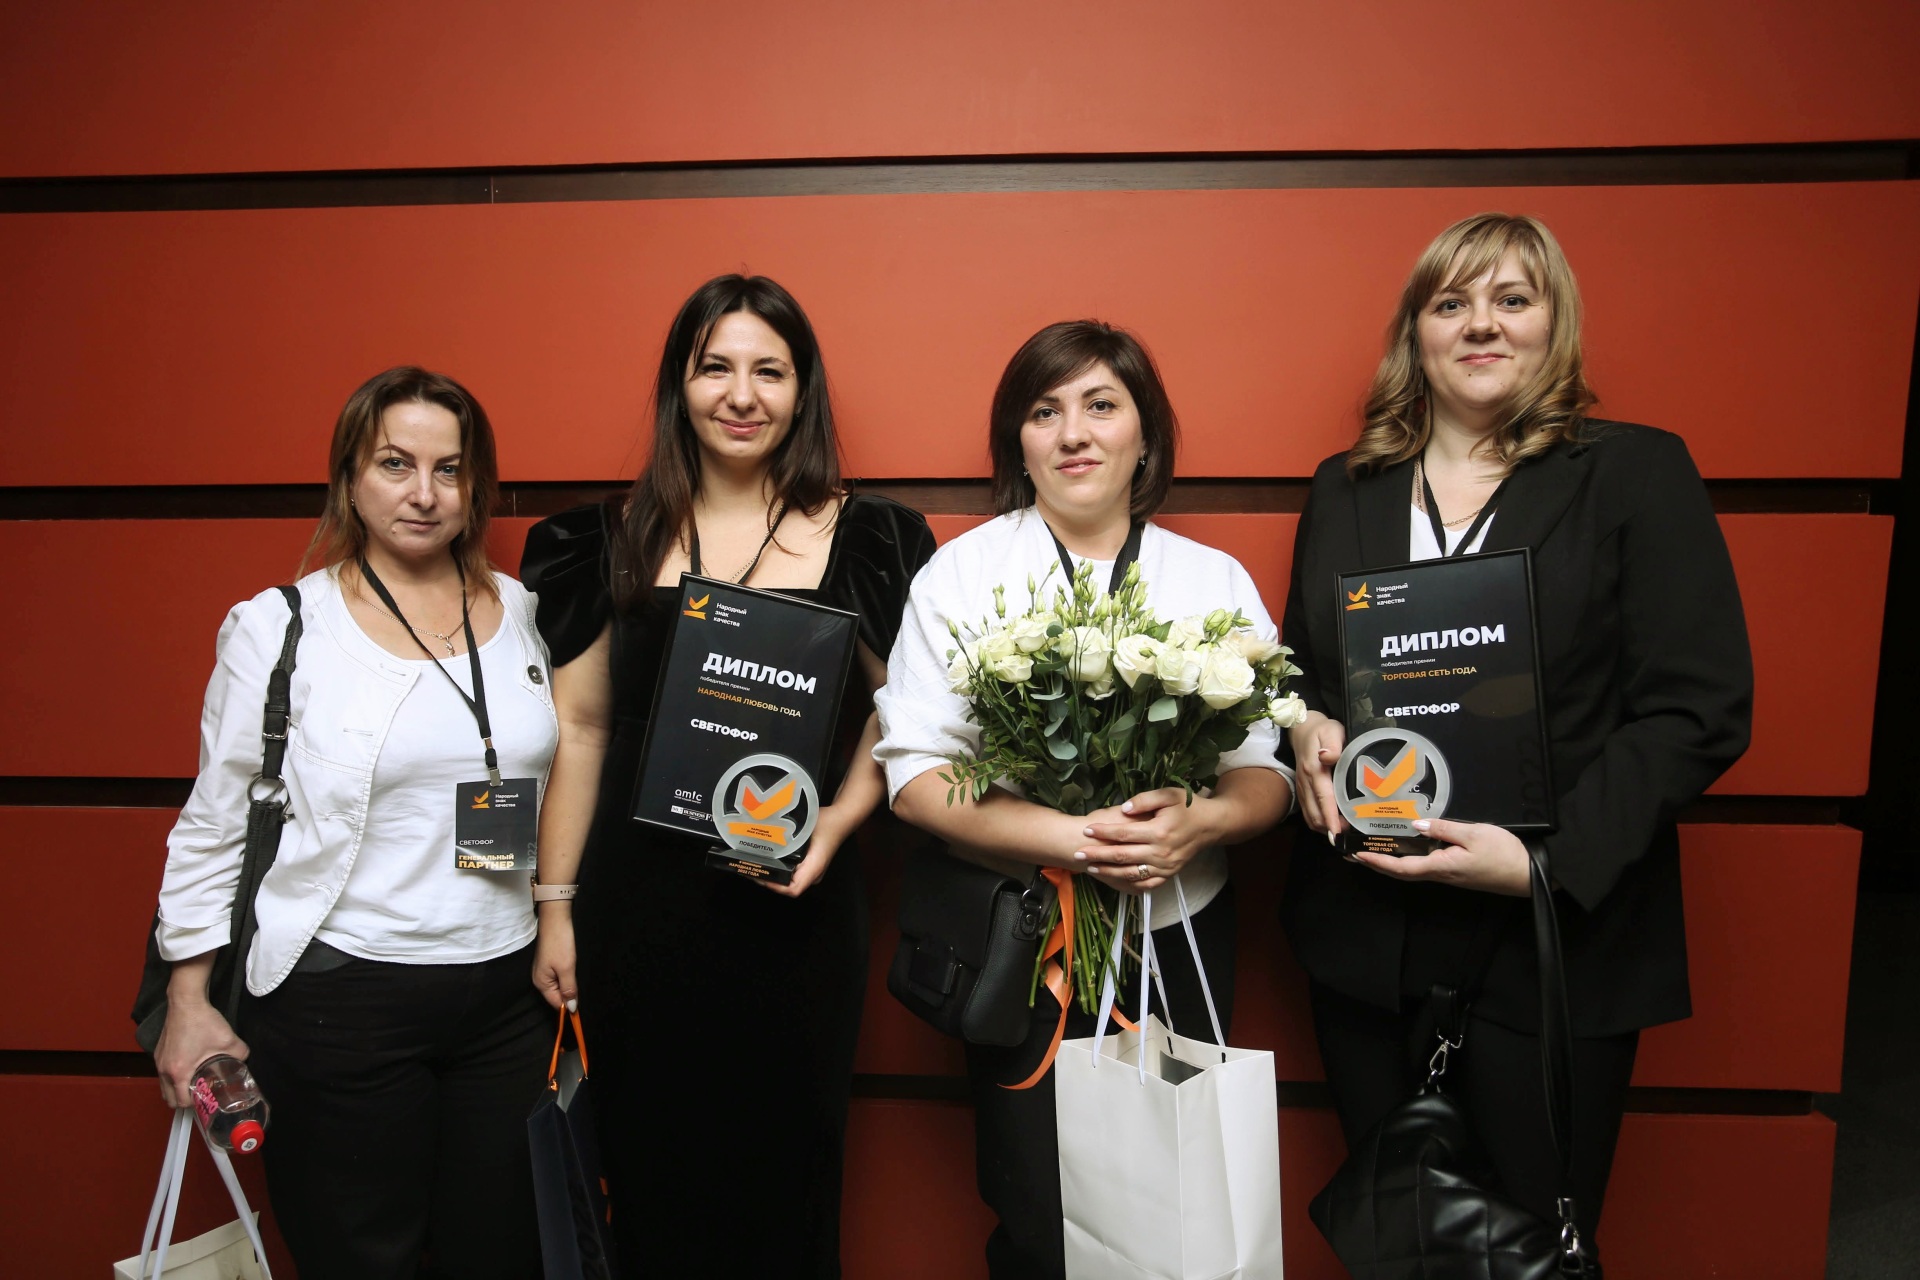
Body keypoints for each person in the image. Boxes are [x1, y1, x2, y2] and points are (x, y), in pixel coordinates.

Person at [1281, 212, 1754, 1254]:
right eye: (1451, 303)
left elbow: (1699, 706)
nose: (1481, 324)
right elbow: (1301, 669)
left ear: (1555, 323)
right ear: (1416, 334)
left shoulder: (1633, 473)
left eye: (1512, 300)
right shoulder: (1346, 487)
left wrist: (1544, 866)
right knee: (1399, 1246)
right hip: (1371, 939)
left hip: (1552, 938)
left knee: (1530, 1253)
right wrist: (1304, 726)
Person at [521, 273, 934, 1278]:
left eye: (769, 371)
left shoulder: (869, 537)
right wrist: (556, 906)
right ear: (681, 382)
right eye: (716, 367)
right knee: (650, 1179)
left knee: (787, 1182)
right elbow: (582, 729)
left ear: (802, 390)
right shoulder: (604, 538)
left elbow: (908, 715)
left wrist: (837, 822)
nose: (741, 395)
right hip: (638, 913)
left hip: (795, 907)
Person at [874, 320, 1295, 1280]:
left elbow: (1266, 773)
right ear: (1017, 443)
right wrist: (1074, 838)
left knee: (1178, 1216)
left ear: (1145, 436)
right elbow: (916, 779)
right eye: (1044, 412)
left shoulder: (1209, 579)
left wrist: (1203, 822)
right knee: (1038, 1215)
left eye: (1101, 406)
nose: (1074, 433)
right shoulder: (965, 575)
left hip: (1180, 933)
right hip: (1029, 943)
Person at [150, 367, 558, 1280]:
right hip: (343, 998)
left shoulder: (524, 612)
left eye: (449, 469)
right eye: (395, 464)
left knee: (505, 1255)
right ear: (349, 476)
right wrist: (188, 1001)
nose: (424, 493)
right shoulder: (282, 628)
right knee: (361, 1261)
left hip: (506, 999)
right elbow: (216, 821)